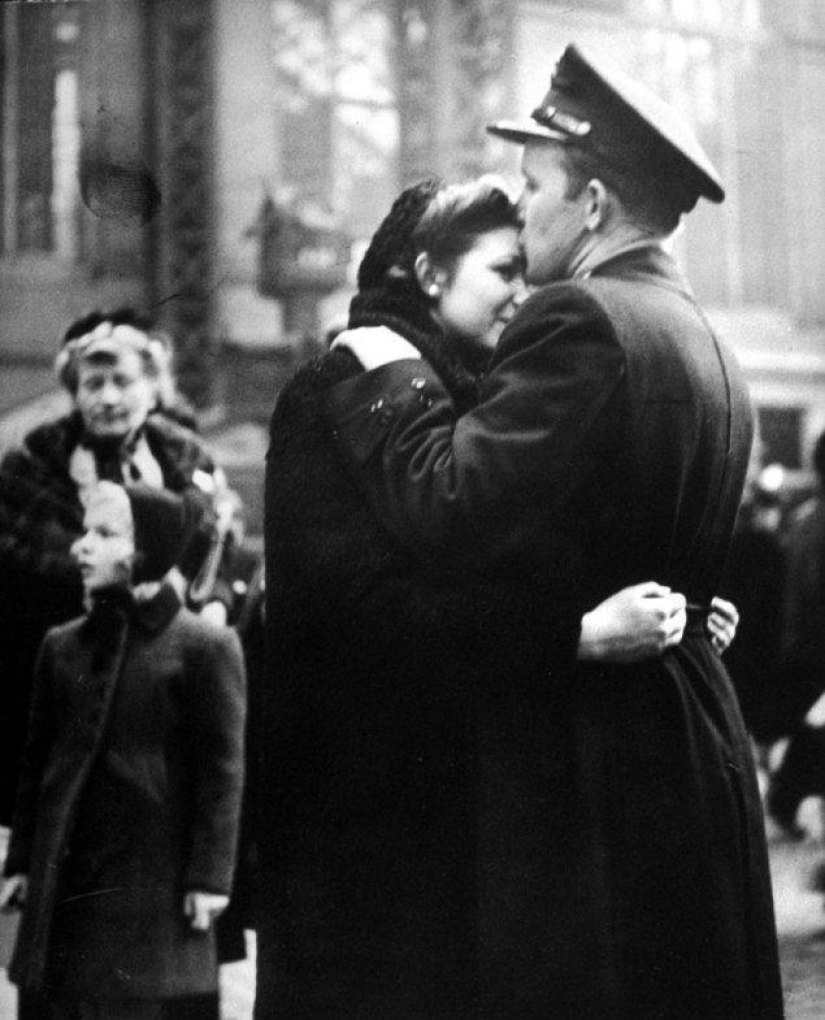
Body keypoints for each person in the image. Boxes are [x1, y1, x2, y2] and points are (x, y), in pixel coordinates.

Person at [323, 44, 782, 1020]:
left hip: (586, 770)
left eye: (536, 187)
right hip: (692, 742)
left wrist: (382, 374)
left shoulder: (580, 317)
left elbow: (450, 504)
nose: (523, 209)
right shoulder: (707, 340)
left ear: (595, 204)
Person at [258, 175, 740, 1020]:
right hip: (362, 819)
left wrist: (679, 614)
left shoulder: (480, 391)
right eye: (502, 270)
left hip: (454, 815)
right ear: (428, 273)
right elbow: (360, 614)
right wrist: (568, 635)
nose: (525, 291)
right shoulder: (331, 390)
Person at [0, 480, 247, 1019]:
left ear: (146, 550)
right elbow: (36, 765)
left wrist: (209, 877)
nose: (80, 547)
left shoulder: (203, 647)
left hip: (150, 892)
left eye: (104, 533)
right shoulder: (63, 646)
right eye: (84, 531)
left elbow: (222, 772)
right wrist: (20, 861)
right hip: (63, 891)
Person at [0, 308, 238, 826]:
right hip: (59, 672)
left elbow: (217, 550)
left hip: (160, 680)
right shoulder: (30, 467)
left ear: (152, 389)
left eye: (123, 382)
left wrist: (212, 602)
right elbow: (18, 564)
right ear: (74, 392)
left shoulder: (187, 461)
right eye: (93, 384)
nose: (108, 398)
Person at [766, 429, 825, 837]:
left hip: (799, 647)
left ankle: (787, 799)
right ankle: (786, 800)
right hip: (815, 649)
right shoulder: (815, 524)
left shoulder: (805, 519)